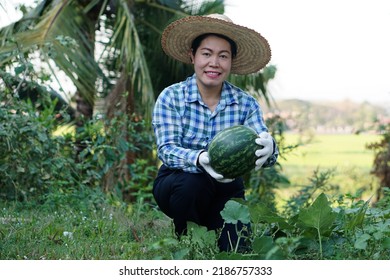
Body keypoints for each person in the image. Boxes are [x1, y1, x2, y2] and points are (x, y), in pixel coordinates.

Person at [152, 14, 278, 251]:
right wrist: (200, 159)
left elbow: (263, 146)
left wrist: (270, 149)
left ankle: (212, 226)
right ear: (193, 55)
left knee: (237, 249)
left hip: (227, 188)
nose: (214, 63)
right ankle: (187, 236)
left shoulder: (246, 104)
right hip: (178, 181)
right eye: (206, 53)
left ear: (232, 61)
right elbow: (166, 150)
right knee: (193, 183)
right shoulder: (172, 97)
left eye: (223, 56)